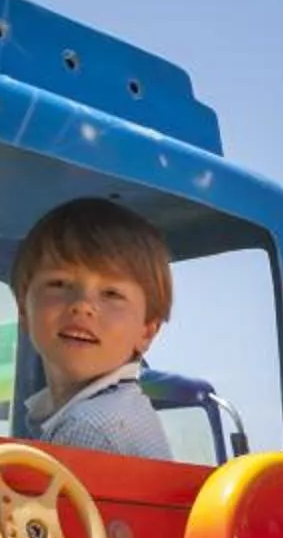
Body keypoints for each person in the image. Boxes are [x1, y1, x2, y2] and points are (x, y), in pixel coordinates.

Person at [14, 197, 177, 461]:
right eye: (59, 283)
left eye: (111, 293)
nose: (82, 305)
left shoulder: (87, 428)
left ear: (147, 331)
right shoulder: (118, 410)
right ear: (23, 310)